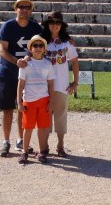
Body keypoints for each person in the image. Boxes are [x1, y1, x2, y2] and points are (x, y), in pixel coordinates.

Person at [0, 0, 42, 157]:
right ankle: (5, 141)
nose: (24, 10)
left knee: (23, 107)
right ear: (15, 9)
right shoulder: (7, 27)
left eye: (27, 7)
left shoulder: (36, 28)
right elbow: (2, 50)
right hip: (8, 72)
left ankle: (20, 140)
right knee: (7, 108)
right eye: (21, 6)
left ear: (31, 10)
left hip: (28, 74)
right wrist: (17, 62)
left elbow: (44, 45)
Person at [40, 11, 79, 157]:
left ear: (61, 25)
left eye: (58, 23)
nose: (54, 25)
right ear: (47, 25)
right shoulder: (41, 42)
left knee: (61, 117)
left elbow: (74, 61)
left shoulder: (67, 43)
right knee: (45, 117)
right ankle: (45, 146)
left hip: (62, 85)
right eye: (52, 22)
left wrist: (75, 82)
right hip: (44, 86)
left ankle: (60, 146)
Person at [17, 34, 55, 165]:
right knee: (27, 127)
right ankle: (24, 151)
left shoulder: (48, 64)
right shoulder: (26, 64)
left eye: (40, 45)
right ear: (31, 48)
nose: (38, 48)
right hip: (29, 100)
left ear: (44, 49)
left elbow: (50, 83)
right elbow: (20, 84)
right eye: (35, 45)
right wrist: (19, 102)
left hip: (43, 99)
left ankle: (41, 150)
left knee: (42, 127)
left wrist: (51, 101)